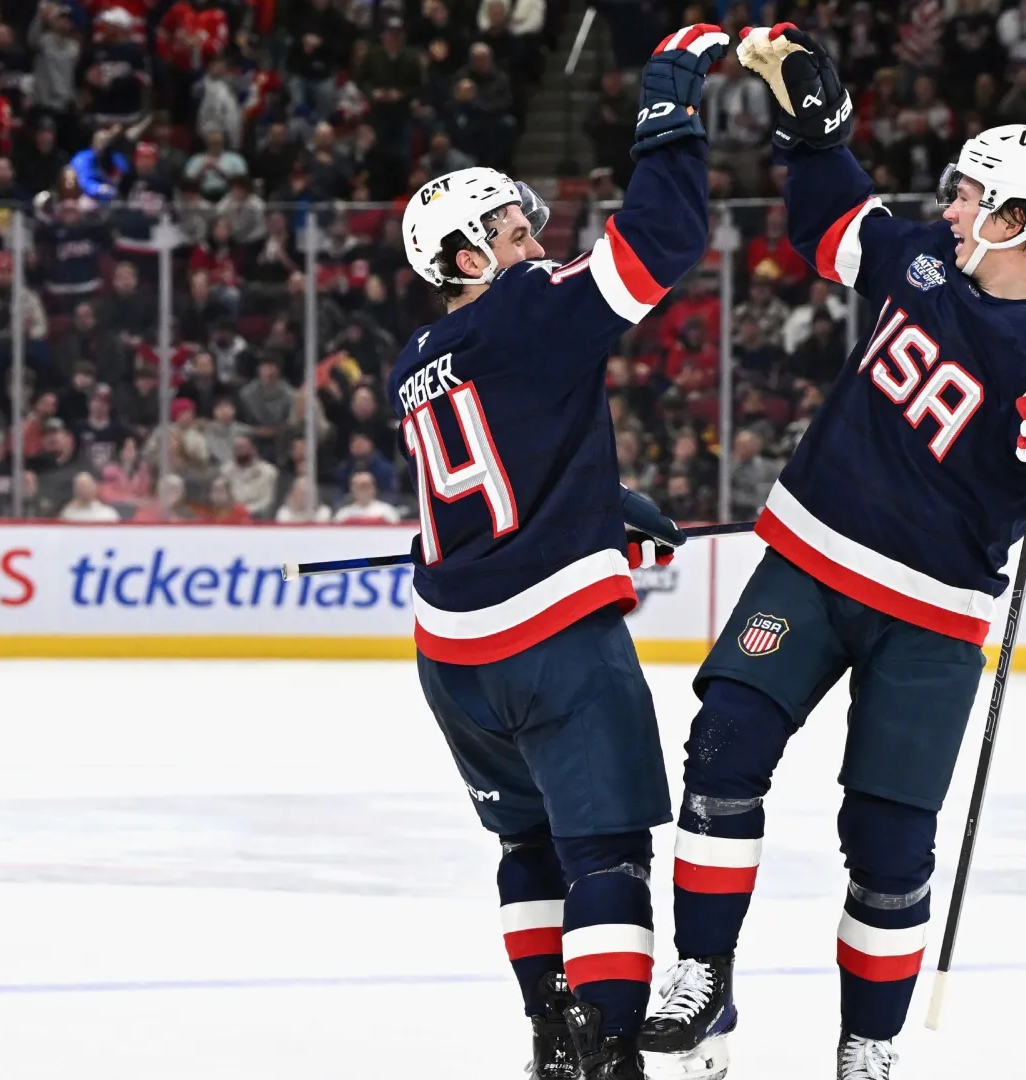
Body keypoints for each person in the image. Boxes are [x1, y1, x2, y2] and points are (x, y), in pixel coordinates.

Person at [639, 26, 1026, 1080]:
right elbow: (831, 225)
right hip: (811, 563)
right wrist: (815, 136)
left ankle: (867, 1047)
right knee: (723, 747)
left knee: (889, 844)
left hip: (934, 617)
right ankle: (703, 978)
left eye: (972, 196)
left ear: (1019, 221)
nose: (950, 207)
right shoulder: (918, 260)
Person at [382, 25, 725, 1080]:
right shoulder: (527, 308)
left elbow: (493, 467)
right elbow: (663, 238)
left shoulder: (416, 360)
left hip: (452, 657)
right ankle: (610, 1052)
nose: (532, 239)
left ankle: (551, 1042)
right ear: (465, 258)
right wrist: (668, 110)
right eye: (509, 229)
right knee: (607, 852)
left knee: (526, 846)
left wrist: (594, 501)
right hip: (554, 645)